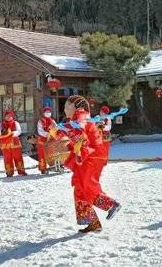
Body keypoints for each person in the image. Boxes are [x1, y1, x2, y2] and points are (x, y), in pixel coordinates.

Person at [62, 95, 121, 234]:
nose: (64, 109)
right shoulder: (76, 118)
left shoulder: (81, 116)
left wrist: (66, 134)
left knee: (87, 185)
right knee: (79, 188)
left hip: (91, 156)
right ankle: (93, 222)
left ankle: (111, 204)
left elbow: (81, 136)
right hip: (88, 155)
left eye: (66, 106)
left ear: (75, 106)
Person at [0, 110, 27, 177]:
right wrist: (2, 134)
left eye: (9, 116)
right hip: (5, 144)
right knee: (7, 158)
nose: (8, 117)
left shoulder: (15, 123)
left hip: (15, 143)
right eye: (6, 116)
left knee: (18, 157)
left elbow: (19, 131)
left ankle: (21, 171)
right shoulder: (1, 124)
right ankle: (9, 172)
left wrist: (11, 134)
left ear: (12, 116)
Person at [36, 107, 57, 174]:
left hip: (51, 140)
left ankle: (53, 166)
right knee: (42, 154)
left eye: (49, 112)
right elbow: (40, 131)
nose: (48, 113)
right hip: (42, 140)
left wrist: (54, 133)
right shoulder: (40, 121)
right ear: (44, 113)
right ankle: (43, 168)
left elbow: (56, 129)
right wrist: (48, 134)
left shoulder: (53, 121)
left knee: (52, 153)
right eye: (46, 112)